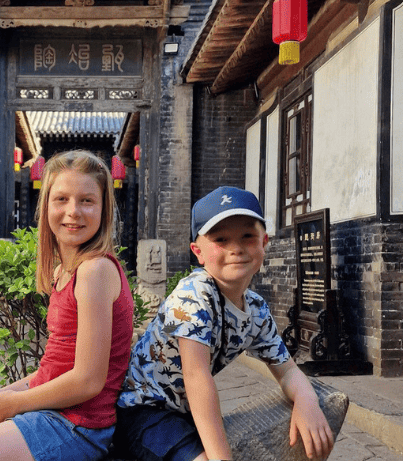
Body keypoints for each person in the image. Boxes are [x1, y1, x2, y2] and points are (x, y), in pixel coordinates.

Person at [0, 150, 134, 461]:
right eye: (61, 199)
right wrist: (8, 392)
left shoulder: (95, 271)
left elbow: (88, 380)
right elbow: (55, 365)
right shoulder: (64, 271)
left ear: (104, 208)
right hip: (56, 416)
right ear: (47, 205)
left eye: (87, 200)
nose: (73, 211)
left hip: (76, 427)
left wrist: (16, 404)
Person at [114, 186, 335, 461]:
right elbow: (196, 377)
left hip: (182, 412)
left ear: (264, 242)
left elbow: (288, 370)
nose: (237, 248)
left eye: (248, 236)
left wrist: (307, 401)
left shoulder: (256, 308)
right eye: (221, 239)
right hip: (142, 409)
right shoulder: (192, 294)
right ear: (198, 252)